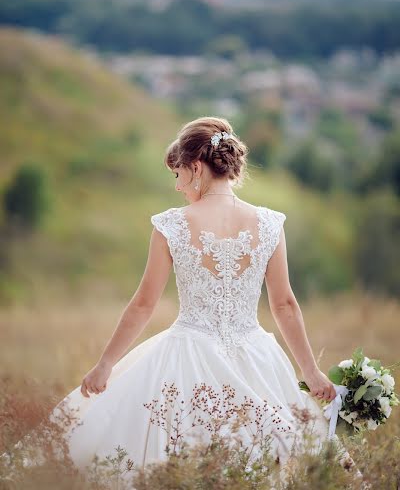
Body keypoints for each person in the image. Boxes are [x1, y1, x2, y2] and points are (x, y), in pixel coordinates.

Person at [8, 116, 368, 485]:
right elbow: (284, 305)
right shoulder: (269, 224)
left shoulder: (173, 224)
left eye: (178, 175)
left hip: (186, 355)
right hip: (258, 357)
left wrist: (105, 364)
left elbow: (143, 304)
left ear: (196, 168)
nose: (178, 187)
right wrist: (309, 371)